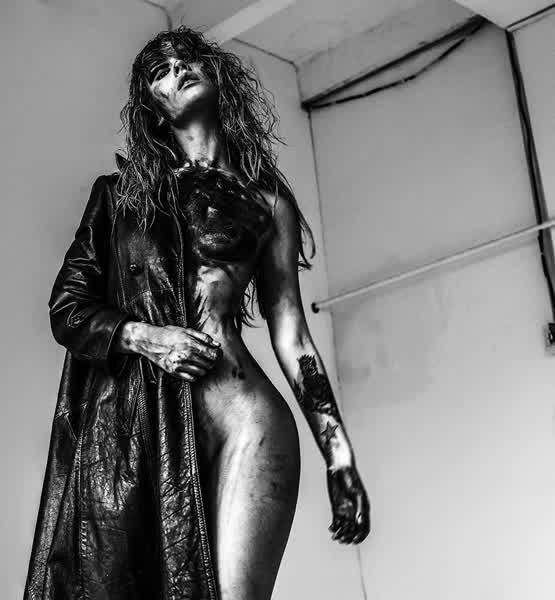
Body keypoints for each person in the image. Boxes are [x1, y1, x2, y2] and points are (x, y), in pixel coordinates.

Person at [24, 25, 370, 600]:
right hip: (142, 431)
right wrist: (146, 337)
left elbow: (293, 336)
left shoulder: (268, 201)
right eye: (159, 70)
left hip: (244, 417)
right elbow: (68, 309)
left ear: (217, 76)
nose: (177, 69)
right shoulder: (119, 197)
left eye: (187, 59)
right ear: (151, 106)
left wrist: (339, 457)